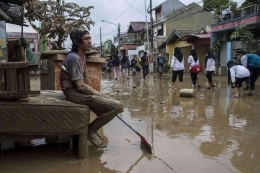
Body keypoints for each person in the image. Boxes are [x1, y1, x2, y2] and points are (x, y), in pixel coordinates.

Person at [59, 29, 123, 148]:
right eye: (86, 39)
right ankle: (91, 131)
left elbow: (84, 83)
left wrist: (98, 95)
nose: (90, 41)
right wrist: (99, 95)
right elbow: (81, 86)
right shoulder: (74, 58)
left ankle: (94, 126)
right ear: (77, 42)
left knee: (112, 103)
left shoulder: (80, 57)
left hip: (78, 92)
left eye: (90, 38)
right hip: (74, 94)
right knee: (117, 106)